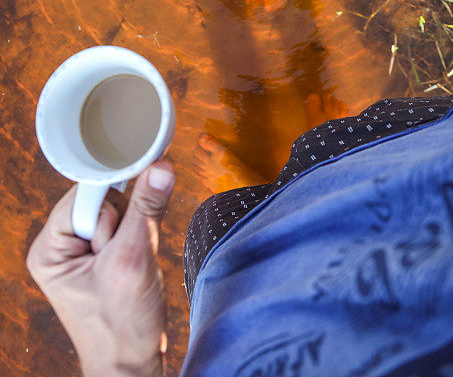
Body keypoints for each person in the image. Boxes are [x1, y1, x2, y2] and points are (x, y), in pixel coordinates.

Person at [28, 94, 453, 376]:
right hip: (425, 162)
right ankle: (324, 162)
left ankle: (304, 173)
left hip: (238, 294)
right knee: (342, 148)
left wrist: (122, 364)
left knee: (220, 226)